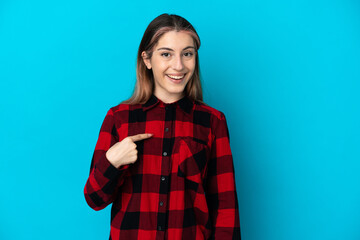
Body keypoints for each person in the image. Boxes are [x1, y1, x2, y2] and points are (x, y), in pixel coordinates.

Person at [84, 13, 241, 240]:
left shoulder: (213, 122)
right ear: (147, 59)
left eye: (187, 54)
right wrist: (112, 162)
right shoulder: (119, 118)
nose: (178, 66)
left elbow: (226, 208)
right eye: (166, 54)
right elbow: (94, 199)